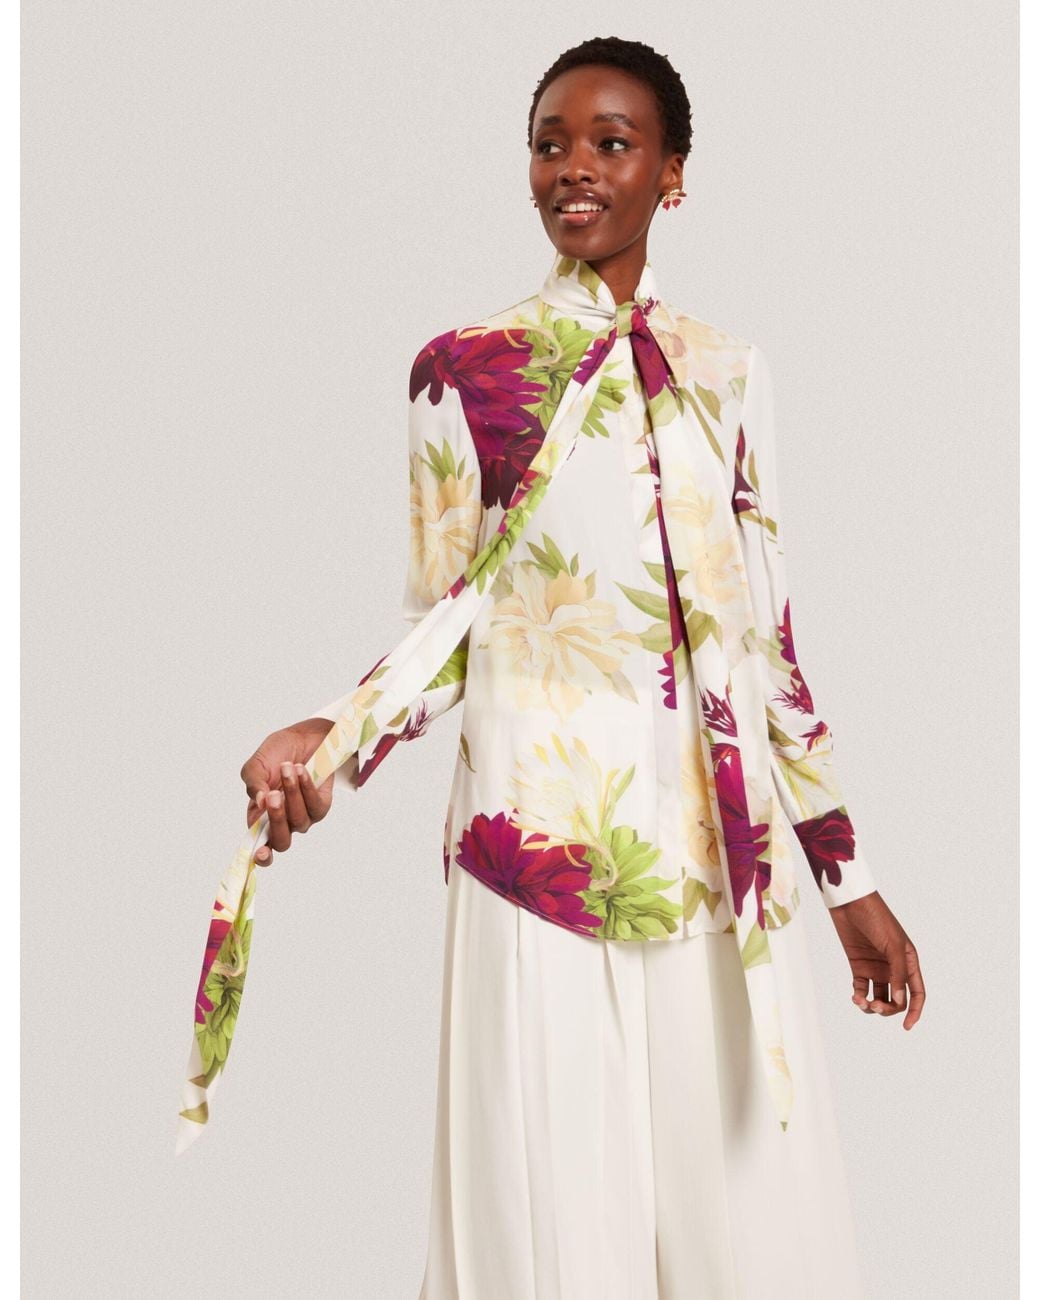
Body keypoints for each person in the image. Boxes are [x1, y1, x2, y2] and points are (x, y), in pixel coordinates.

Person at [239, 35, 925, 1300]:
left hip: (713, 859)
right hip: (531, 854)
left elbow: (766, 646)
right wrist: (327, 743)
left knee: (739, 1244)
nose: (574, 168)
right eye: (549, 143)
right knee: (547, 1241)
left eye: (611, 143)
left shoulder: (727, 372)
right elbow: (443, 628)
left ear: (671, 171)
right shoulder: (462, 371)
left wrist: (849, 881)